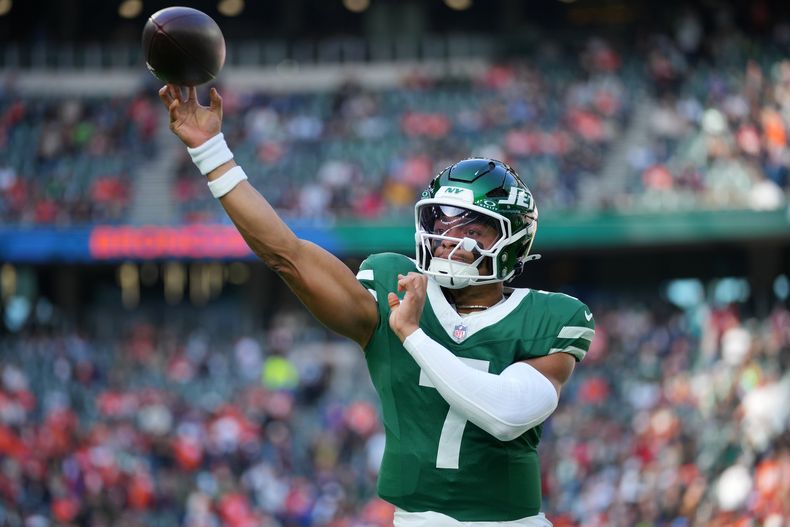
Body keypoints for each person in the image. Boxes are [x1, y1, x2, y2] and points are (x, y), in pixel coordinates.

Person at [158, 84, 595, 527]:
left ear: (512, 242)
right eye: (440, 222)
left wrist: (412, 336)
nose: (448, 240)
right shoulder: (392, 285)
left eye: (473, 229)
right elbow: (287, 256)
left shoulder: (551, 317)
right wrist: (211, 152)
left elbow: (506, 414)